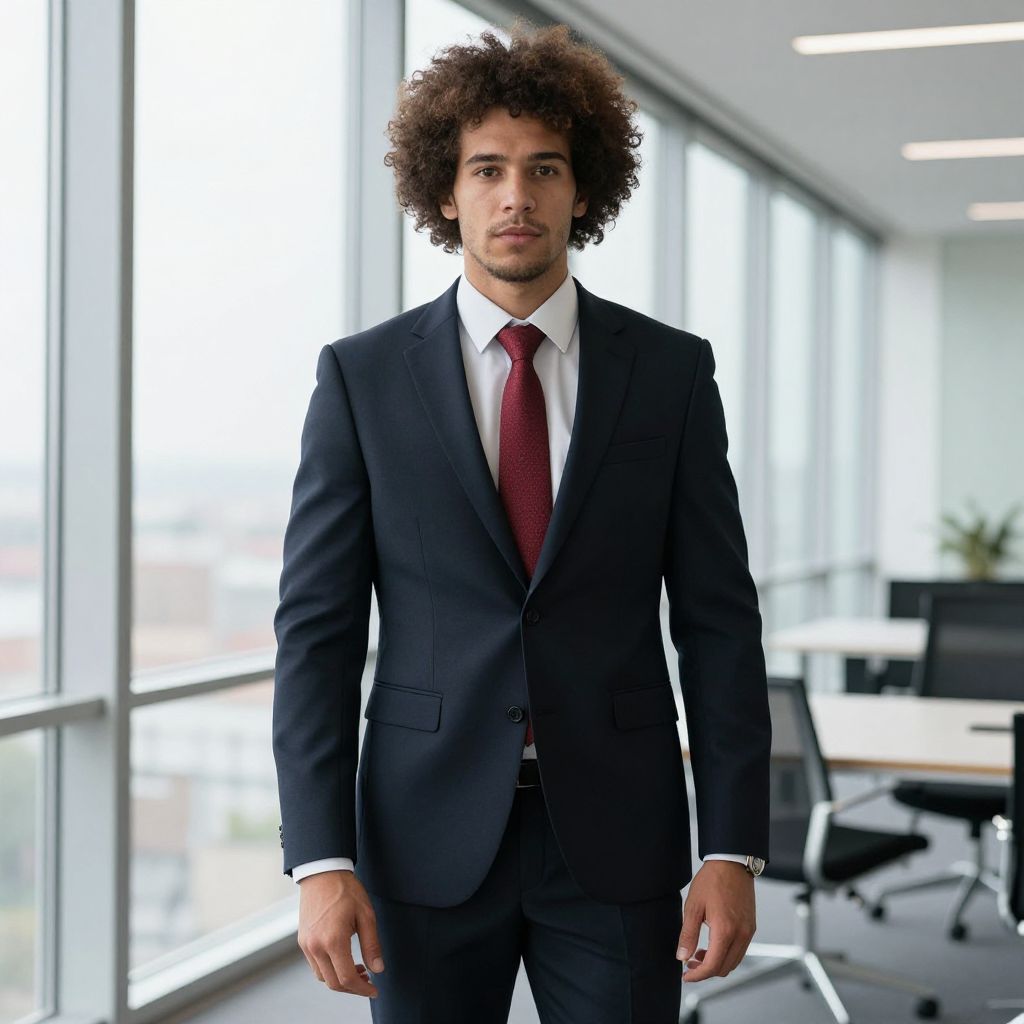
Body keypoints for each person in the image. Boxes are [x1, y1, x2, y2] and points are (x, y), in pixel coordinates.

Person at [272, 20, 770, 1023]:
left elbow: (717, 621)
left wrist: (730, 846)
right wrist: (317, 858)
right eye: (486, 169)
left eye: (543, 168)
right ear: (443, 192)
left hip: (617, 835)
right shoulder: (361, 380)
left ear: (582, 189)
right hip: (419, 834)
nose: (515, 195)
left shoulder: (670, 374)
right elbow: (317, 634)